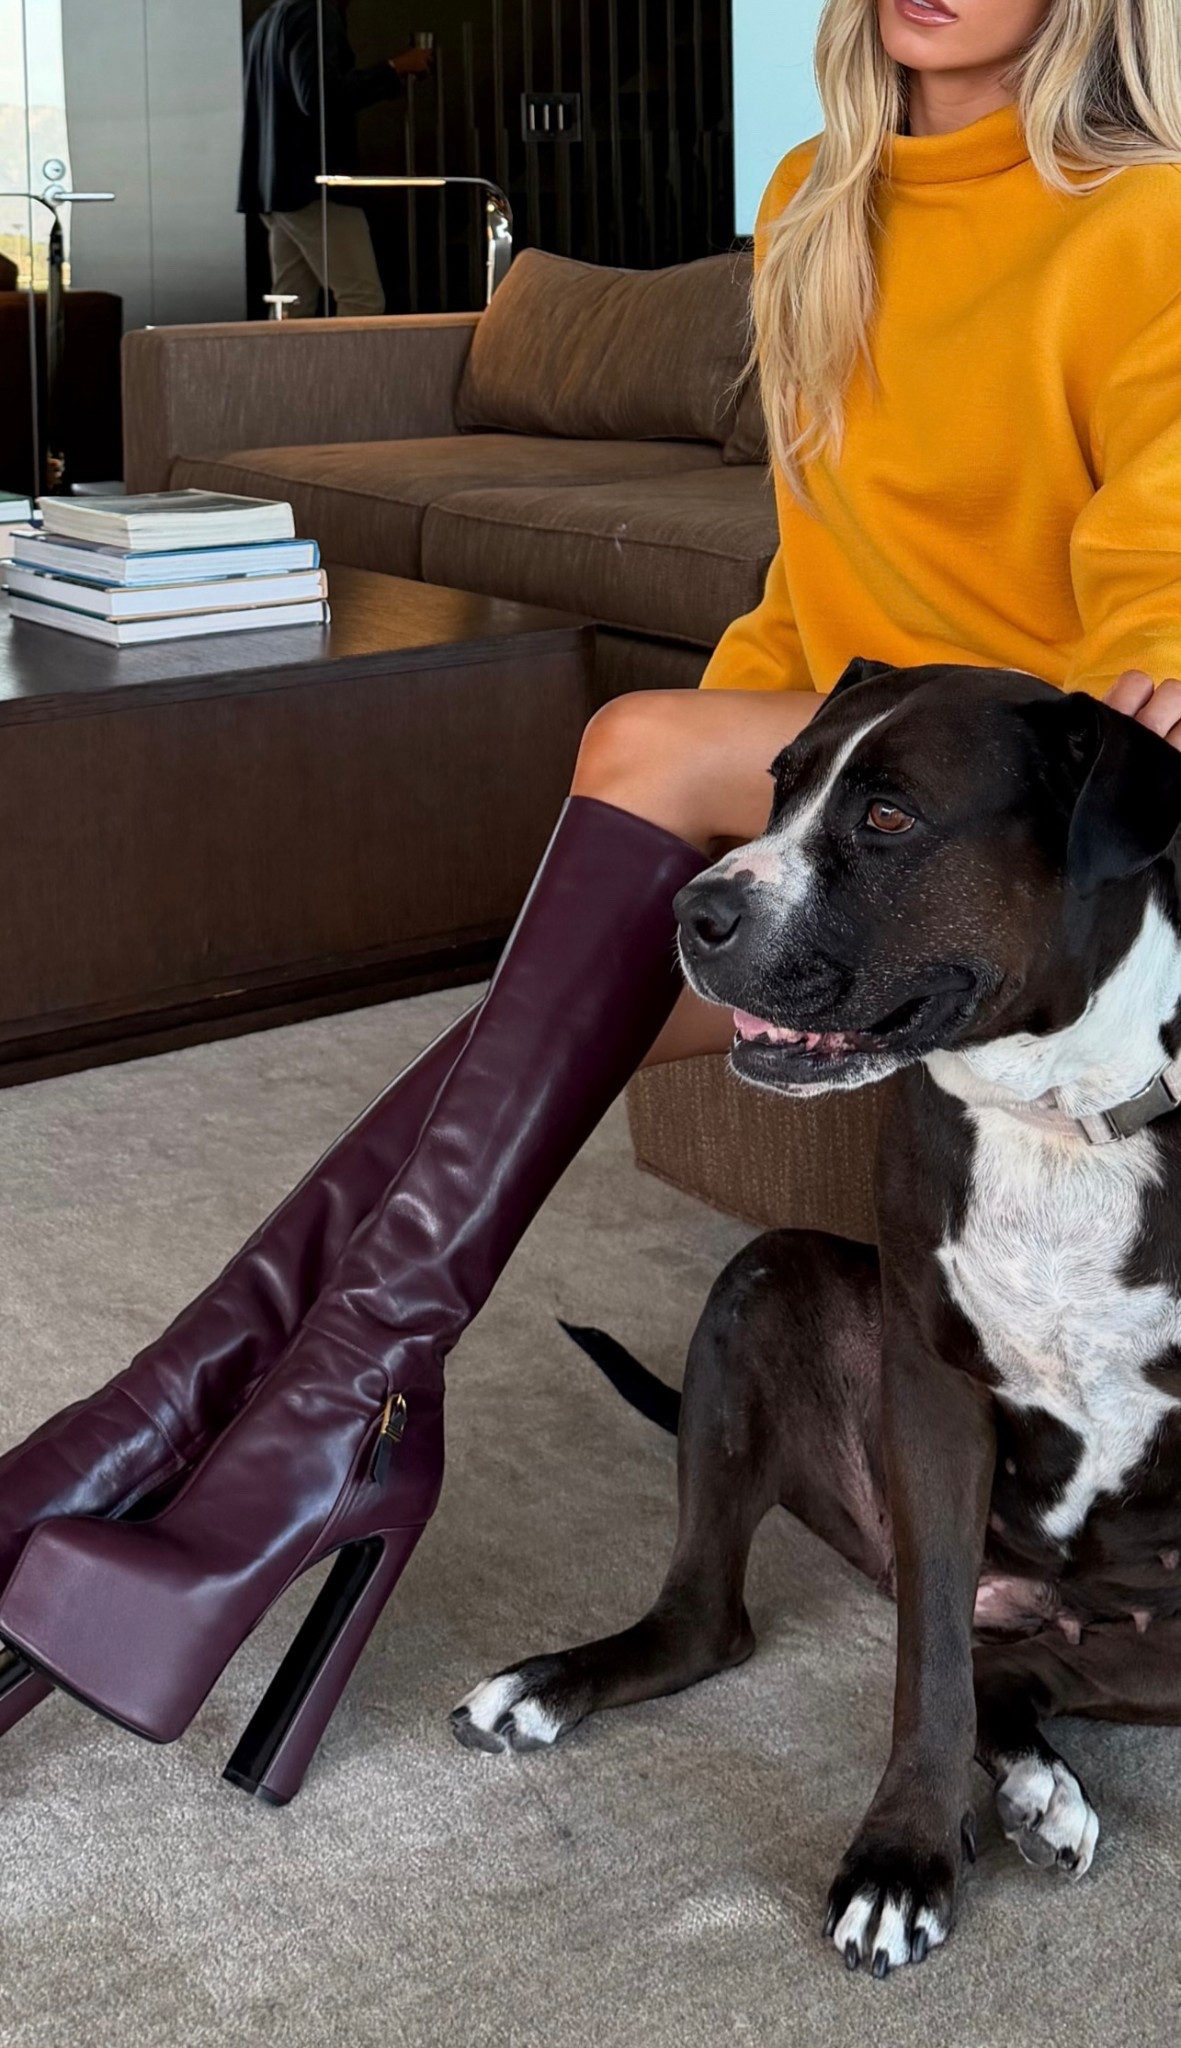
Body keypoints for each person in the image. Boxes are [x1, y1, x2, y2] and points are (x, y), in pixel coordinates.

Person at [1, 0, 1181, 1777]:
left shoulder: (1142, 216)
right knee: (526, 1041)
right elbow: (808, 591)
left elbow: (1157, 565)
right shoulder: (816, 205)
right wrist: (747, 819)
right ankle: (203, 1428)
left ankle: (238, 1442)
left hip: (1029, 816)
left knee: (632, 739)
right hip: (854, 795)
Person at [239, 0, 433, 318]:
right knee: (362, 300)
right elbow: (318, 97)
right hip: (313, 186)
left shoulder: (273, 16)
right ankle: (349, 370)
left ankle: (287, 370)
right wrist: (394, 68)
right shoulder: (314, 13)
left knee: (291, 305)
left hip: (275, 186)